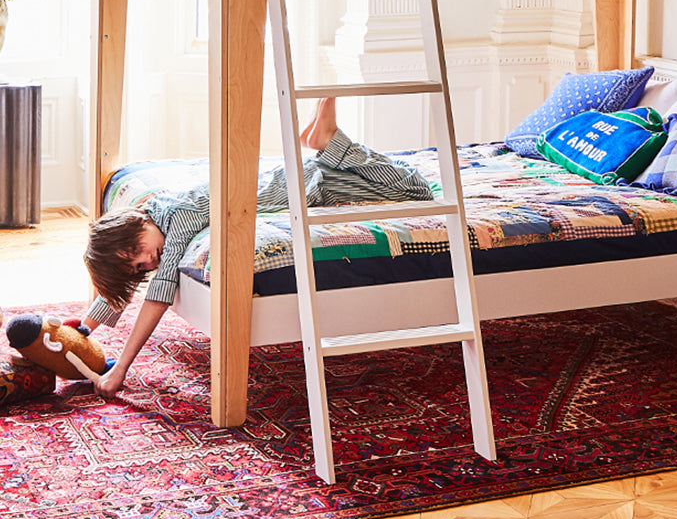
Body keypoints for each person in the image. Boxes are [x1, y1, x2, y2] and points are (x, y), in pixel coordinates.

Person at [80, 99, 433, 400]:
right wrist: (82, 330)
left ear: (136, 225)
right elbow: (126, 286)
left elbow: (158, 295)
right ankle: (324, 143)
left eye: (138, 251)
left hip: (313, 186)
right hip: (298, 178)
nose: (147, 262)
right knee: (400, 182)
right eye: (138, 267)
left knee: (417, 190)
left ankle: (330, 140)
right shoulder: (159, 209)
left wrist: (122, 368)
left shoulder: (180, 219)